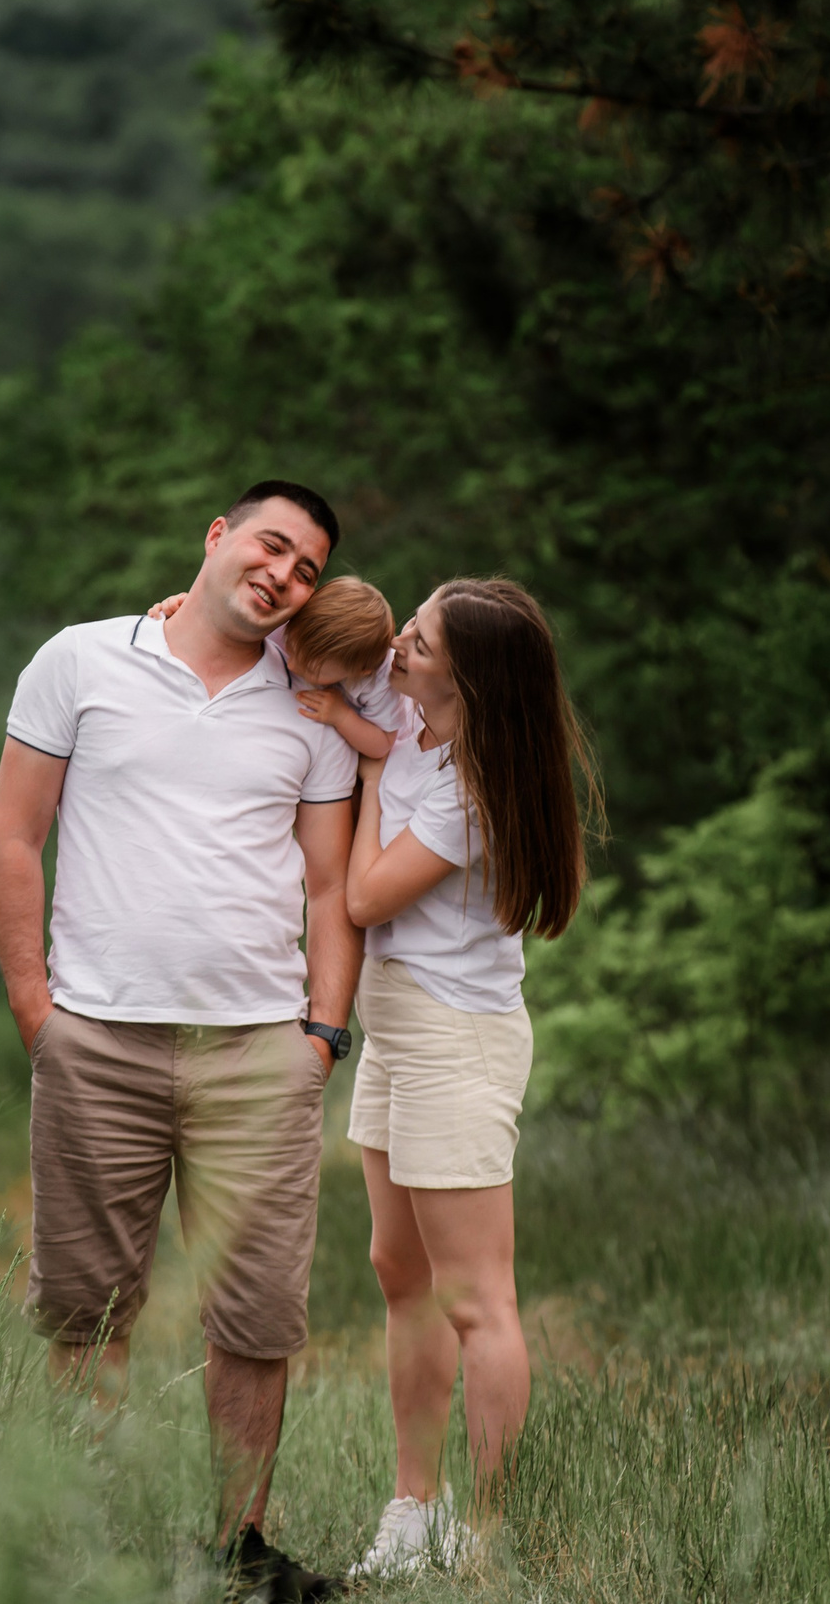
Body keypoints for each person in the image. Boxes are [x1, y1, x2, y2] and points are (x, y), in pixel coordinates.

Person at [0, 480, 364, 1602]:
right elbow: (14, 835)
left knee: (255, 1312)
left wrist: (321, 1035)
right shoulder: (79, 660)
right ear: (218, 536)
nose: (282, 575)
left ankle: (237, 1550)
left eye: (305, 569)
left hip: (258, 1052)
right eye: (270, 545)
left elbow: (335, 884)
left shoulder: (309, 704)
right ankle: (89, 1541)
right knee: (88, 1303)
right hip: (96, 1039)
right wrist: (36, 1014)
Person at [339, 577, 596, 1579]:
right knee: (398, 1273)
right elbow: (312, 664)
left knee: (474, 1295)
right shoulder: (414, 713)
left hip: (456, 1037)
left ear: (470, 677)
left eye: (421, 637)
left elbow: (363, 896)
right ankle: (413, 1507)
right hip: (397, 1027)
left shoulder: (469, 790)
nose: (399, 642)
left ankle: (484, 1538)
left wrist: (363, 784)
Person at [154, 575, 406, 761]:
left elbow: (382, 745)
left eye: (310, 667)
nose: (292, 663)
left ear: (360, 671)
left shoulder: (381, 679)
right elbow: (222, 624)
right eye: (292, 648)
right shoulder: (288, 627)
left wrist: (342, 717)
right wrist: (179, 608)